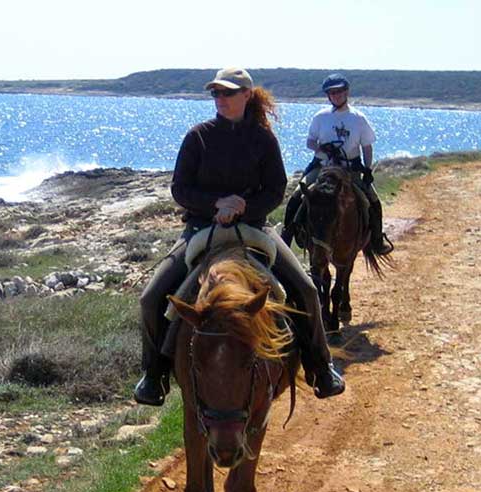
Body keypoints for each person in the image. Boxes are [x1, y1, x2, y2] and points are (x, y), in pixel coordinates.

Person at [134, 67, 345, 406]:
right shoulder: (198, 136)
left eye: (228, 93)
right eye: (216, 93)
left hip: (254, 229)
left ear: (247, 95)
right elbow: (180, 188)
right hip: (201, 229)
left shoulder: (263, 139)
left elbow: (275, 189)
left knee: (305, 290)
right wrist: (216, 204)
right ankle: (153, 374)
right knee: (150, 297)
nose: (220, 99)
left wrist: (242, 208)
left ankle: (321, 366)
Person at [281, 74, 393, 255]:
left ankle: (377, 240)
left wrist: (368, 169)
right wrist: (320, 147)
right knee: (296, 196)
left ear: (346, 92)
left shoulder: (358, 118)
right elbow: (310, 142)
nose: (336, 95)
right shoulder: (320, 117)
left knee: (373, 200)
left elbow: (367, 146)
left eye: (339, 92)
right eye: (332, 93)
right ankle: (287, 237)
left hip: (350, 168)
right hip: (323, 167)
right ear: (328, 95)